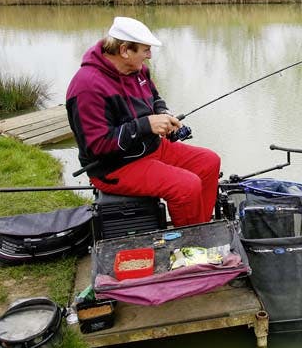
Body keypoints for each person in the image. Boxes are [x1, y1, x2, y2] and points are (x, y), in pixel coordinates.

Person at [66, 16, 220, 226]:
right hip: (114, 166)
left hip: (150, 147)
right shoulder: (87, 87)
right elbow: (97, 145)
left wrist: (165, 115)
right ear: (124, 51)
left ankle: (201, 227)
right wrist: (147, 125)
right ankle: (189, 245)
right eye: (145, 50)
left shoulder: (137, 71)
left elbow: (155, 99)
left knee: (209, 162)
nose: (149, 56)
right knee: (186, 185)